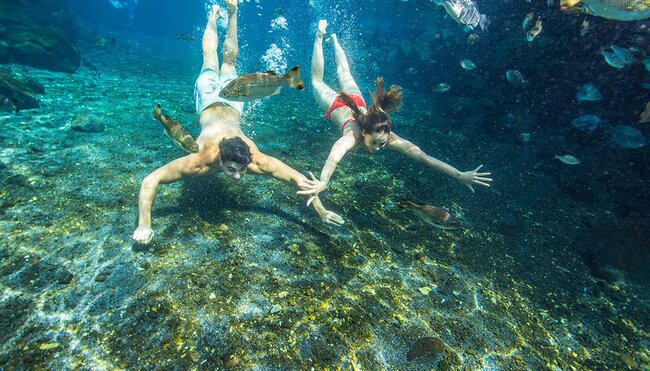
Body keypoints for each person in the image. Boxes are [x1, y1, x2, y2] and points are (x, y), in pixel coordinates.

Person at [133, 3, 343, 244]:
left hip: (233, 105)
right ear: (219, 158)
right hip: (208, 96)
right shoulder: (200, 159)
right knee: (210, 59)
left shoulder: (254, 158)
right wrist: (144, 225)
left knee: (229, 61)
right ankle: (213, 16)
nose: (238, 176)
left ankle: (233, 12)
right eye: (232, 169)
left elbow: (299, 180)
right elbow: (150, 180)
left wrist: (321, 209)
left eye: (241, 169)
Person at [298, 20, 492, 203]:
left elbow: (424, 158)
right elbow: (334, 157)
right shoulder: (353, 135)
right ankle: (320, 36)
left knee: (344, 72)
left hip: (357, 102)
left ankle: (335, 40)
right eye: (374, 142)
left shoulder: (388, 138)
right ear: (364, 132)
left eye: (382, 143)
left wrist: (459, 175)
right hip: (337, 107)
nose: (377, 147)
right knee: (317, 81)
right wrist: (324, 181)